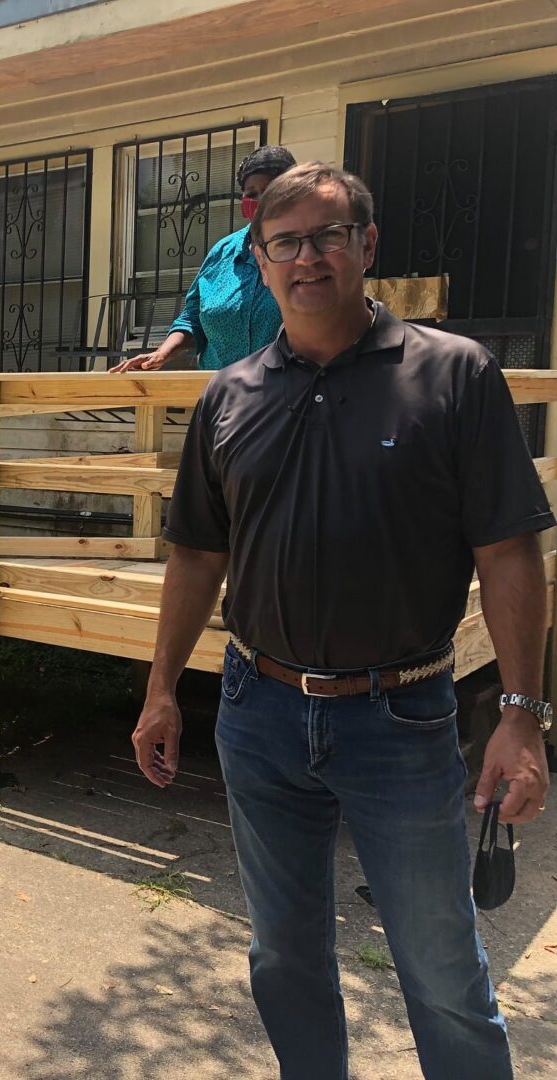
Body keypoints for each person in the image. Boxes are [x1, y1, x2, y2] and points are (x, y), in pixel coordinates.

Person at [130, 162, 552, 1079]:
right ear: (260, 259)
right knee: (284, 959)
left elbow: (510, 549)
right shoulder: (229, 396)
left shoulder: (452, 374)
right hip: (259, 711)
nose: (307, 257)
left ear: (367, 246)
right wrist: (163, 689)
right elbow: (198, 554)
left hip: (400, 719)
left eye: (327, 236)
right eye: (285, 242)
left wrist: (521, 714)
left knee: (441, 971)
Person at [111, 145, 296, 373]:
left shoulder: (304, 253)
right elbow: (193, 316)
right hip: (220, 396)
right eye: (251, 194)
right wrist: (162, 353)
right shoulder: (223, 252)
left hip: (285, 396)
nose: (259, 201)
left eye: (269, 191)